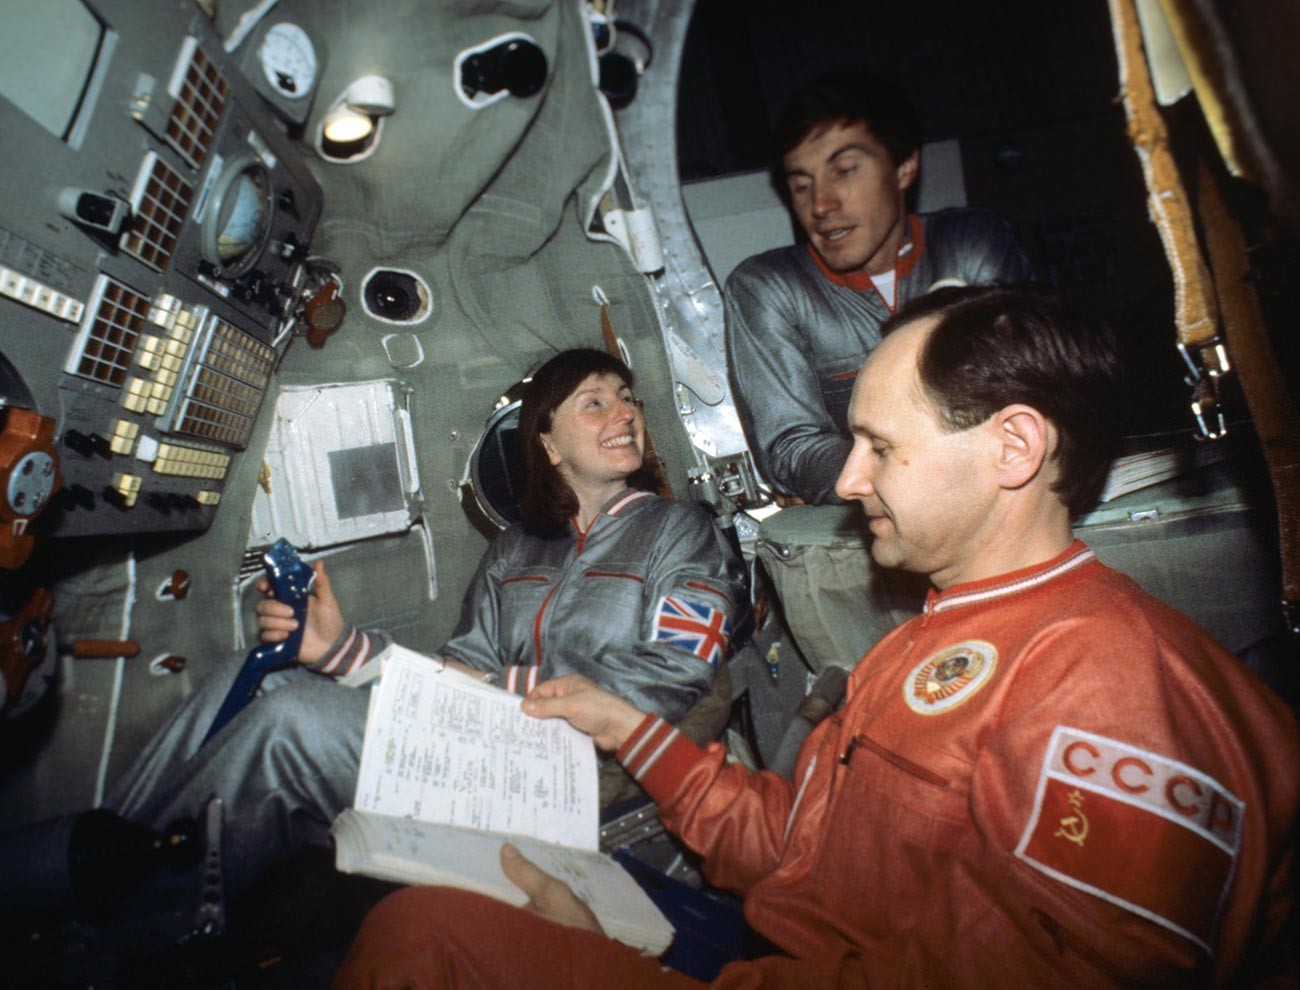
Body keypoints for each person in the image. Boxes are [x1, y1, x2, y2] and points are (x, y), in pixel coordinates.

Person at [335, 287, 1299, 989]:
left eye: (881, 447)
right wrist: (631, 729)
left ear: (1014, 448)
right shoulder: (929, 636)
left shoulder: (1115, 692)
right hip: (779, 939)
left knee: (420, 941)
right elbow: (797, 845)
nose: (844, 481)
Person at [107, 348, 745, 893]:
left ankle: (138, 910)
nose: (625, 412)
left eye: (627, 399)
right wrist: (343, 651)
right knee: (255, 678)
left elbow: (670, 674)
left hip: (582, 768)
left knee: (291, 717)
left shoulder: (679, 531)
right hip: (482, 736)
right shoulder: (516, 550)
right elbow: (462, 673)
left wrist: (505, 698)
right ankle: (105, 850)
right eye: (595, 402)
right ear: (548, 445)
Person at [726, 71, 1031, 505]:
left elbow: (1030, 392)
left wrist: (888, 472)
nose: (821, 205)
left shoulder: (970, 244)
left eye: (845, 171)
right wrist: (930, 480)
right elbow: (791, 448)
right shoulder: (769, 288)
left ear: (904, 166)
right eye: (801, 185)